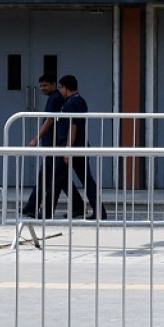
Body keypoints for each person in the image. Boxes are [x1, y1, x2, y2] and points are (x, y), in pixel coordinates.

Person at [52, 74, 106, 220]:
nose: (60, 91)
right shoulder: (79, 101)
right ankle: (93, 209)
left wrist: (68, 149)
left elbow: (73, 126)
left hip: (73, 148)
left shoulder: (71, 103)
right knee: (81, 180)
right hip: (79, 147)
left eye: (60, 87)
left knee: (58, 177)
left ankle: (46, 212)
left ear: (65, 87)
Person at [21, 73, 64, 218]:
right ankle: (31, 205)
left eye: (45, 85)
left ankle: (33, 206)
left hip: (52, 143)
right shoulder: (55, 97)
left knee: (50, 175)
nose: (42, 88)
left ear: (54, 84)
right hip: (52, 142)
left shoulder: (55, 98)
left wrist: (36, 138)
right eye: (40, 85)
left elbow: (49, 119)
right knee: (53, 176)